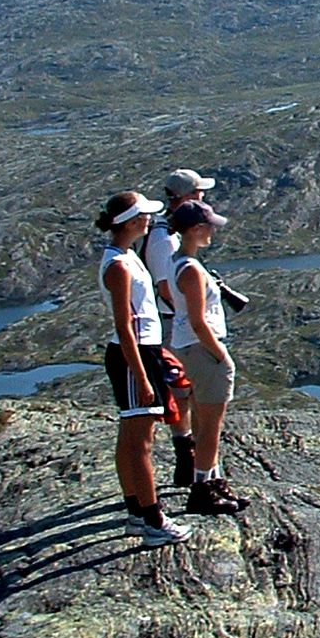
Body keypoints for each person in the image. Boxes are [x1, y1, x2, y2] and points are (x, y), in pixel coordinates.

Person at [95, 190, 192, 547]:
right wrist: (140, 373)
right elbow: (124, 326)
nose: (150, 219)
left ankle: (136, 512)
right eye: (144, 215)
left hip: (141, 351)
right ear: (130, 221)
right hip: (132, 354)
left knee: (130, 435)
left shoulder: (125, 257)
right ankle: (153, 519)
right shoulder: (119, 266)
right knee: (142, 443)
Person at [167, 199, 249, 516]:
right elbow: (199, 321)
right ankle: (203, 490)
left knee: (204, 421)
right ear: (198, 230)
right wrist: (221, 356)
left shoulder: (180, 262)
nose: (213, 231)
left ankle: (214, 483)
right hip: (202, 350)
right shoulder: (189, 269)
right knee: (210, 426)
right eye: (209, 226)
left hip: (190, 348)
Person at [143, 168, 214, 487]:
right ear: (184, 197)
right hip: (174, 325)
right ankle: (190, 460)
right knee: (184, 390)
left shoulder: (171, 233)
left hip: (179, 323)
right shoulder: (162, 239)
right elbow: (167, 288)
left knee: (189, 389)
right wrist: (194, 322)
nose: (203, 198)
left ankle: (195, 460)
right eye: (198, 193)